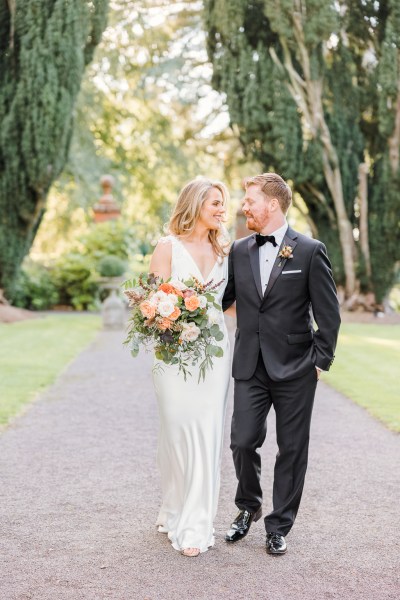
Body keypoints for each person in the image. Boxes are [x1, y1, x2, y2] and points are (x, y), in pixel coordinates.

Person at [222, 172, 341, 555]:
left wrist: (319, 361)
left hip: (295, 367)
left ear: (272, 204)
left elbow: (329, 313)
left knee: (292, 448)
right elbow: (223, 299)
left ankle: (279, 525)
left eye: (250, 200)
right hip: (250, 365)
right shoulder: (239, 250)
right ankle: (249, 506)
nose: (244, 207)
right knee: (241, 441)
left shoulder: (308, 250)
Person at [149, 178, 231, 557]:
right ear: (195, 203)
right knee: (176, 431)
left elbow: (234, 305)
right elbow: (148, 303)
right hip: (172, 354)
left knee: (206, 431)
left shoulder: (227, 251)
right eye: (215, 202)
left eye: (222, 203)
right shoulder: (167, 247)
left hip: (213, 353)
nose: (220, 209)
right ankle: (174, 507)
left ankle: (196, 524)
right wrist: (171, 315)